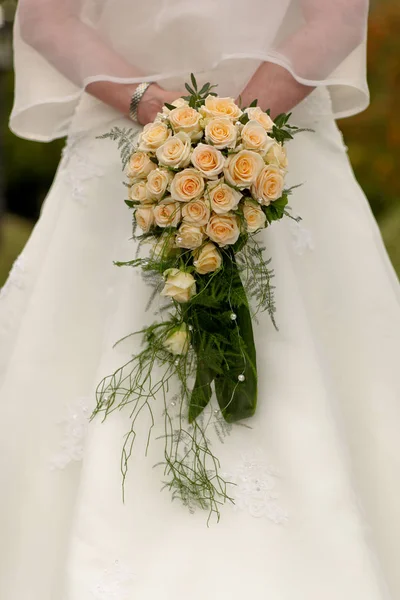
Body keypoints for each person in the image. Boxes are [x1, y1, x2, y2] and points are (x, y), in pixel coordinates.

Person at [1, 0, 399, 598]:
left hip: (283, 150)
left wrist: (240, 138)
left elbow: (337, 17)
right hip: (122, 153)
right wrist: (161, 115)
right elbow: (47, 20)